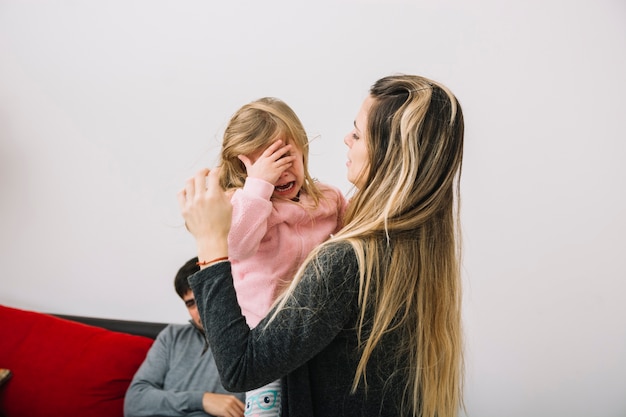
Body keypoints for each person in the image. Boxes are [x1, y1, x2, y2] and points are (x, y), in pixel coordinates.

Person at [178, 74, 465, 417]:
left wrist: (209, 243)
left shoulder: (345, 258)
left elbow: (240, 368)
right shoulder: (408, 246)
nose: (346, 138)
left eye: (357, 133)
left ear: (388, 154)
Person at [216, 97, 346, 415]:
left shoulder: (327, 198)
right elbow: (237, 246)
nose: (281, 171)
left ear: (303, 151)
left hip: (315, 330)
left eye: (287, 157)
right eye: (266, 163)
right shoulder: (241, 204)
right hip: (264, 339)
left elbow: (350, 247)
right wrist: (257, 186)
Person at [124, 257, 245, 417]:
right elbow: (134, 403)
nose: (199, 310)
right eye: (191, 303)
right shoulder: (172, 337)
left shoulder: (248, 342)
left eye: (205, 298)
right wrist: (202, 400)